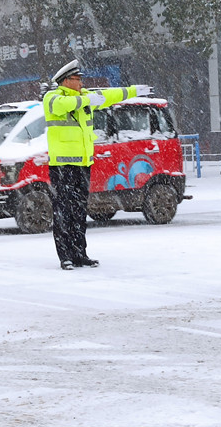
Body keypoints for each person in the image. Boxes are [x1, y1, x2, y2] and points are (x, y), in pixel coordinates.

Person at [43, 59, 153, 270]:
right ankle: (65, 255)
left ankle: (79, 253)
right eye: (77, 79)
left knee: (79, 211)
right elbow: (61, 105)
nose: (81, 83)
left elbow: (110, 95)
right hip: (62, 165)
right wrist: (86, 101)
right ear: (66, 81)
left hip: (84, 163)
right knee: (63, 211)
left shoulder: (85, 97)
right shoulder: (52, 97)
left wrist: (133, 91)